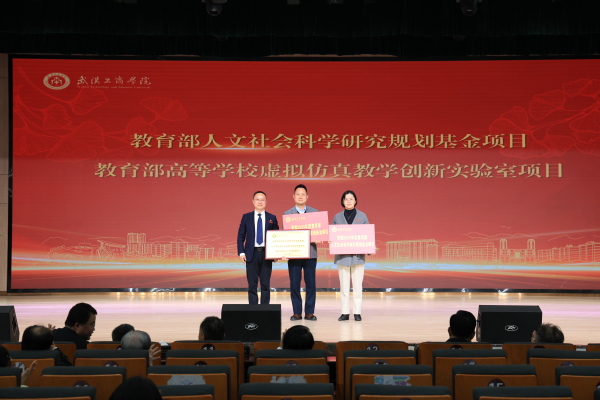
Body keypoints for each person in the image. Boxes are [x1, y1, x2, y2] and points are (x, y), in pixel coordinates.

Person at [332, 190, 369, 322]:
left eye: (351, 198)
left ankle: (357, 312)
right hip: (342, 257)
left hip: (358, 257)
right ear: (342, 201)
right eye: (346, 199)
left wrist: (369, 247)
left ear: (355, 201)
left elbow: (367, 235)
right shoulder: (337, 217)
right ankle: (345, 313)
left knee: (358, 287)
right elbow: (333, 235)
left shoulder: (362, 216)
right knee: (344, 287)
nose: (348, 201)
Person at [237, 190, 279, 305]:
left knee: (265, 284)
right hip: (251, 254)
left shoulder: (272, 217)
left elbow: (276, 237)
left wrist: (276, 254)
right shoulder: (246, 217)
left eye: (262, 200)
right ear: (253, 201)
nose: (260, 202)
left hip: (266, 255)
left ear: (266, 201)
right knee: (252, 284)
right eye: (257, 199)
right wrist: (241, 252)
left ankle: (265, 309)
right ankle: (253, 309)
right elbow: (241, 236)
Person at [283, 184, 319, 321]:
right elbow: (285, 235)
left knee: (311, 284)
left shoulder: (315, 213)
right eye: (298, 194)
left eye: (303, 194)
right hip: (294, 254)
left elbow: (319, 232)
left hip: (310, 253)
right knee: (294, 283)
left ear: (307, 197)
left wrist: (319, 237)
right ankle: (296, 312)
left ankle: (309, 312)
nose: (300, 196)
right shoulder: (287, 214)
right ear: (293, 196)